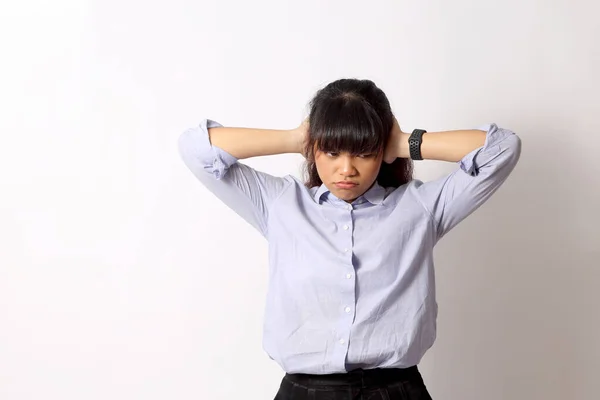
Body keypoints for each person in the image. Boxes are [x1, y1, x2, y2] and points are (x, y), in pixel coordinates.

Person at [178, 78, 522, 400]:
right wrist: (299, 138)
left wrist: (403, 142)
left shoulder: (419, 207)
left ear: (382, 152)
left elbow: (502, 147)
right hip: (304, 393)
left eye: (363, 152)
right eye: (332, 152)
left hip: (395, 391)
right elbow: (196, 147)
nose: (347, 169)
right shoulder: (280, 204)